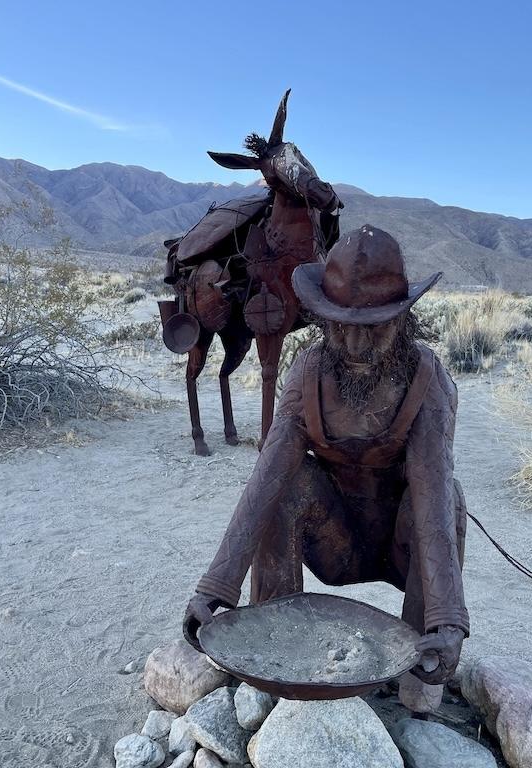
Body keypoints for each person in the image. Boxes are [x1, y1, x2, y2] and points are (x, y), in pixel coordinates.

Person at [182, 225, 469, 711]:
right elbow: (267, 478)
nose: (355, 344)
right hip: (332, 540)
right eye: (341, 324)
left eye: (374, 326)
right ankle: (271, 649)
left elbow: (433, 494)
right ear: (323, 319)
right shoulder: (309, 372)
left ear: (402, 320)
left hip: (400, 545)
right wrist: (215, 588)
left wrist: (448, 618)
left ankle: (421, 674)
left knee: (452, 499)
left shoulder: (426, 379)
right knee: (285, 485)